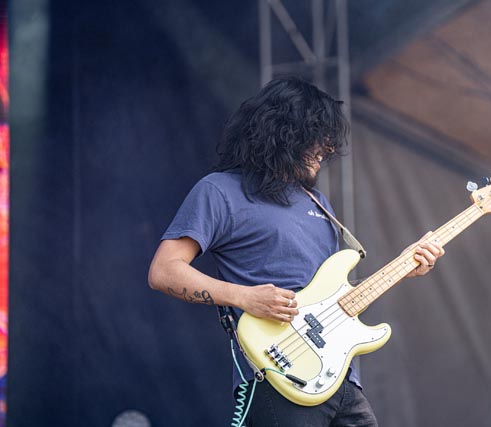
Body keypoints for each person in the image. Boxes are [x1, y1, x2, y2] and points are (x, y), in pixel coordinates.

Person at [148, 76, 444, 427]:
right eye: (318, 136)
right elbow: (164, 271)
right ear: (285, 132)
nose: (327, 148)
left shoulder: (317, 202)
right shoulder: (219, 191)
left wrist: (402, 267)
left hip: (339, 377)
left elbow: (328, 299)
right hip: (278, 373)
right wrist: (245, 297)